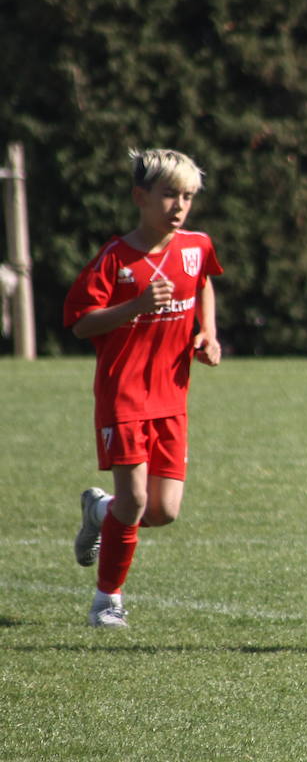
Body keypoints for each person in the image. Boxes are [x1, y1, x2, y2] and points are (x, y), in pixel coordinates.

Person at [64, 149, 223, 628]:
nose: (179, 206)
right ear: (140, 197)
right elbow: (80, 325)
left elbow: (203, 283)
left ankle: (99, 511)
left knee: (163, 512)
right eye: (169, 194)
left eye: (188, 196)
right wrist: (133, 306)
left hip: (172, 397)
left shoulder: (195, 245)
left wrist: (207, 333)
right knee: (133, 503)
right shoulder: (116, 259)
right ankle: (106, 602)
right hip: (124, 396)